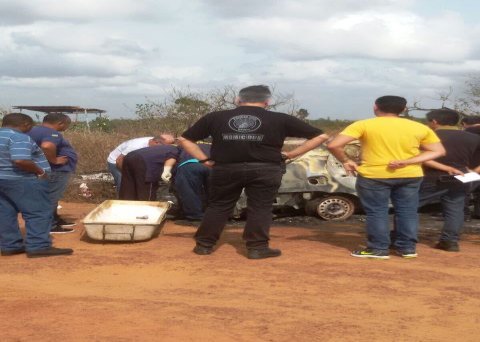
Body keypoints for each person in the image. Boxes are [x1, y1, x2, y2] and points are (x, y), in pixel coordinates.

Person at [178, 85, 329, 259]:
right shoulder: (280, 119)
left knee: (219, 206)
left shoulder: (216, 117)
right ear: (267, 102)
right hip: (266, 169)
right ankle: (257, 248)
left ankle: (204, 245)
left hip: (226, 168)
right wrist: (291, 154)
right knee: (260, 207)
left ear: (238, 100)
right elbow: (322, 136)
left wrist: (203, 159)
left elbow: (184, 138)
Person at [328, 95, 445, 259]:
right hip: (410, 174)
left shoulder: (364, 124)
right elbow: (438, 151)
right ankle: (407, 248)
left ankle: (378, 248)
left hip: (374, 174)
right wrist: (408, 161)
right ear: (404, 109)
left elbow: (333, 144)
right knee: (408, 211)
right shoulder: (418, 127)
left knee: (377, 211)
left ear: (375, 107)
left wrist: (346, 160)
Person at [0, 113, 73, 258]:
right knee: (38, 211)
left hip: (3, 180)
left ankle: (10, 245)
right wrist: (39, 171)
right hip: (22, 179)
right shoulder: (19, 137)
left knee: (5, 212)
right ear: (26, 124)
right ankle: (38, 246)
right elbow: (20, 160)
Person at [418, 109, 480, 252]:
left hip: (431, 177)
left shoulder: (427, 136)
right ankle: (450, 242)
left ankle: (400, 238)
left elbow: (420, 157)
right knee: (455, 209)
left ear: (434, 121)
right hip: (461, 177)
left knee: (408, 207)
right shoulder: (472, 137)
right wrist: (474, 171)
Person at [28, 113, 78, 234]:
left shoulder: (34, 130)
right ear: (60, 123)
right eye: (66, 125)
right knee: (51, 197)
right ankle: (49, 225)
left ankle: (54, 219)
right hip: (56, 170)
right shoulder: (51, 132)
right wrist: (54, 160)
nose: (66, 128)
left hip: (44, 169)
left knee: (50, 197)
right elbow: (47, 146)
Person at [107, 135, 175, 193]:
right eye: (164, 147)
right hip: (115, 162)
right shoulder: (136, 146)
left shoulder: (155, 142)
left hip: (131, 161)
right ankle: (122, 202)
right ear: (157, 142)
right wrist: (127, 174)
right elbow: (119, 160)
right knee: (124, 184)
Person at [173, 143, 212, 221]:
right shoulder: (211, 146)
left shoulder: (181, 146)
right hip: (212, 165)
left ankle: (195, 215)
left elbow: (173, 159)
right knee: (214, 191)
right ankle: (217, 214)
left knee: (190, 191)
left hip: (190, 165)